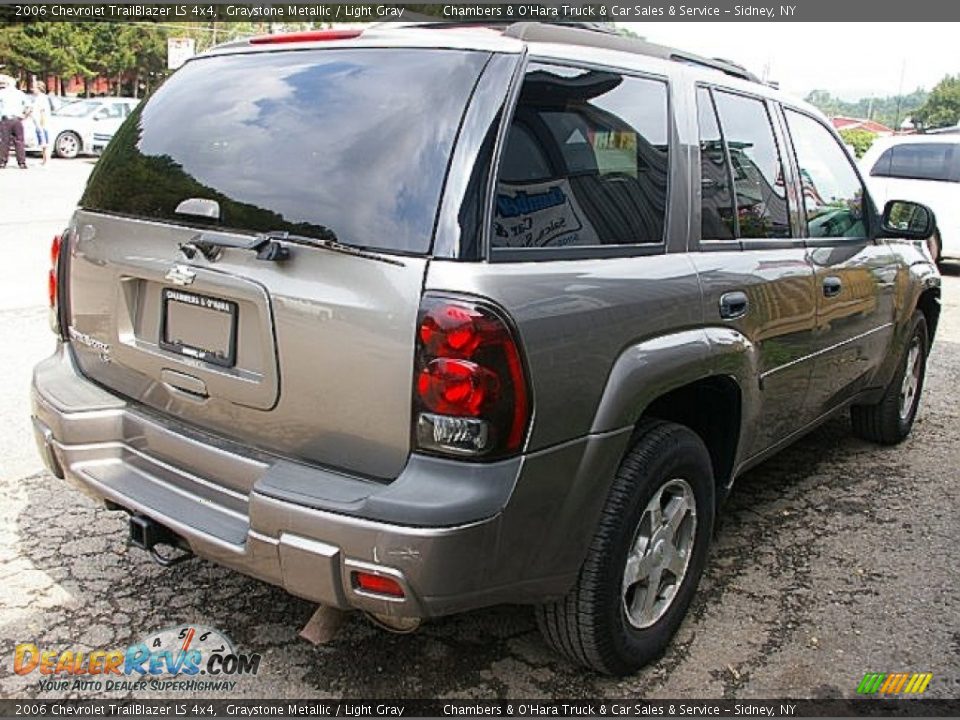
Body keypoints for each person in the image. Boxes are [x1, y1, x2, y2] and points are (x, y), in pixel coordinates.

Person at [0, 74, 29, 169]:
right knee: (19, 141)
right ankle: (21, 162)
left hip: (6, 119)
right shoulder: (20, 93)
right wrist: (24, 116)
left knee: (5, 141)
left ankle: (3, 161)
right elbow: (28, 106)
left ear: (7, 84)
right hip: (17, 119)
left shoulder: (2, 93)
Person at [30, 80, 53, 165]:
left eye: (34, 87)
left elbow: (43, 111)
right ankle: (44, 160)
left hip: (42, 123)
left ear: (39, 88)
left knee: (45, 142)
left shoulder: (42, 98)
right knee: (42, 142)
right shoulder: (38, 98)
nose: (33, 89)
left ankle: (47, 160)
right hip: (38, 123)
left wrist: (42, 122)